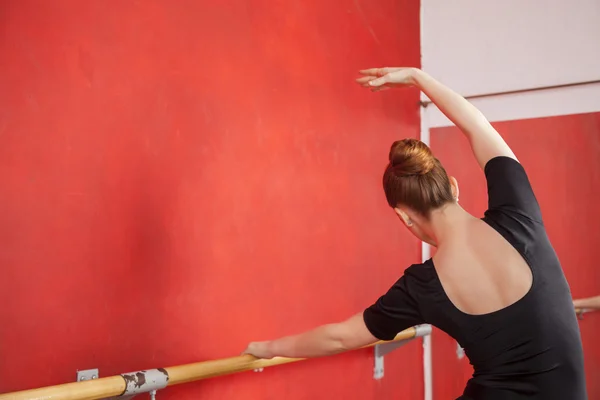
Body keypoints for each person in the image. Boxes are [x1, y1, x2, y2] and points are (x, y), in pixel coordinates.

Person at [243, 67, 587, 399]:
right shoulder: (519, 216)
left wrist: (267, 348)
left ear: (403, 216)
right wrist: (418, 78)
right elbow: (476, 126)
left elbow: (340, 338)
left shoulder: (422, 288)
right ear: (453, 185)